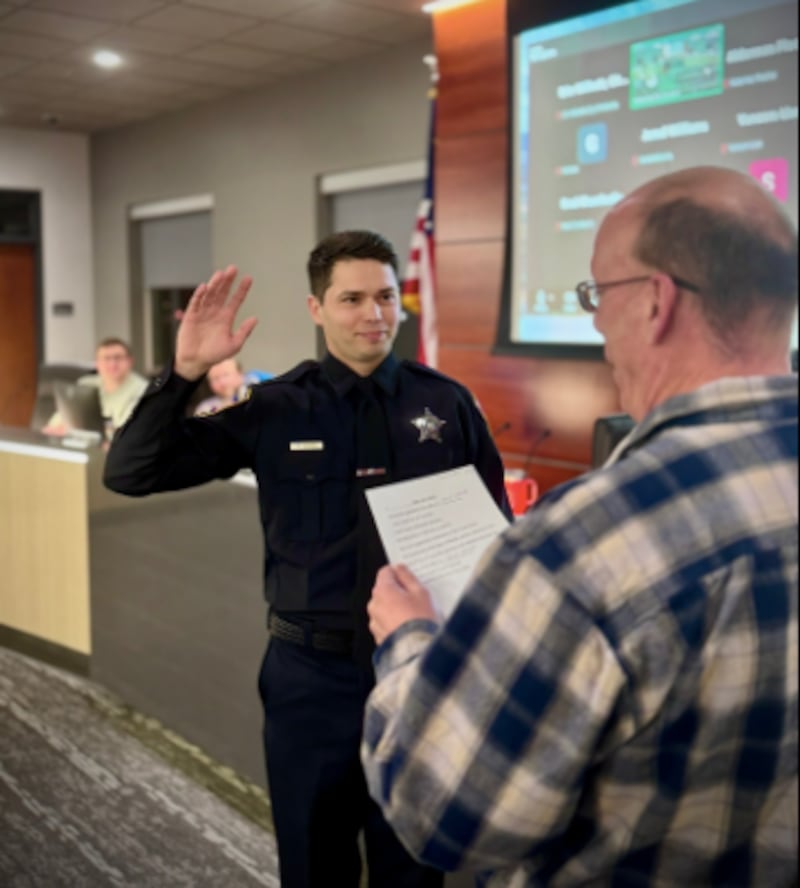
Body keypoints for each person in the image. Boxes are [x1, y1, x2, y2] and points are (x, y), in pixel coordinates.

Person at [361, 167, 798, 887]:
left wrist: (409, 641)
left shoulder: (583, 544)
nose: (596, 325)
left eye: (599, 295)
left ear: (656, 301)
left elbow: (441, 814)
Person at [103, 230, 511, 888]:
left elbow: (496, 538)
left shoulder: (447, 404)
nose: (372, 314)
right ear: (316, 309)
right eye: (350, 299)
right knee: (314, 864)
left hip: (420, 670)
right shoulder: (273, 409)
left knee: (414, 867)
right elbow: (130, 472)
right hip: (309, 681)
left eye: (384, 297)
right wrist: (182, 376)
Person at [42, 337, 147, 436]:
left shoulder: (143, 390)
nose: (112, 363)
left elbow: (125, 434)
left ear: (130, 361)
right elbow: (57, 422)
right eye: (106, 358)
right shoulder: (85, 384)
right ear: (97, 363)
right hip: (79, 443)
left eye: (118, 358)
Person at [192, 357, 266, 415]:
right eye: (215, 378)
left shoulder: (256, 387)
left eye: (226, 375)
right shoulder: (205, 407)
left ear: (240, 374)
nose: (222, 382)